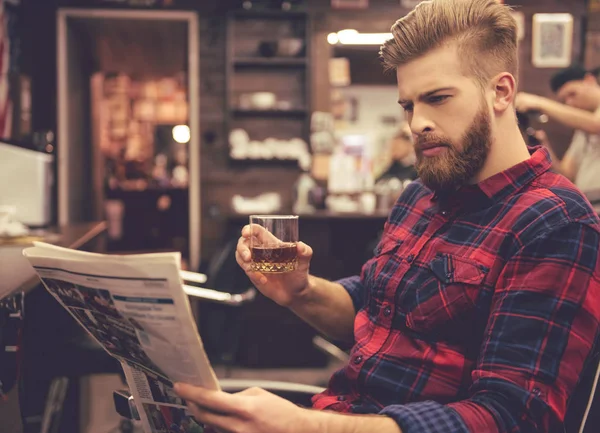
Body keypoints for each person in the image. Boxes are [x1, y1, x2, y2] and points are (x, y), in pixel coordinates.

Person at [174, 1, 600, 433]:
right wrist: (300, 291)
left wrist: (308, 427)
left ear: (501, 92)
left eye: (437, 99)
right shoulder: (419, 198)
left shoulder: (555, 223)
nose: (416, 123)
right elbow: (372, 309)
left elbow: (511, 417)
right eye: (408, 105)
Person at [516, 65, 600, 192]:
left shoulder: (591, 124)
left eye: (572, 94)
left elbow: (596, 125)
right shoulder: (582, 129)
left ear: (589, 80)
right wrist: (545, 146)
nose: (570, 103)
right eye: (565, 100)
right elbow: (566, 174)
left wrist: (539, 103)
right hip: (590, 204)